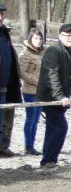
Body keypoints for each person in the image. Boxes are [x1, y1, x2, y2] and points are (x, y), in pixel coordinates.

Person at [36, 23, 71, 169]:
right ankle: (48, 160)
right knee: (59, 127)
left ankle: (49, 160)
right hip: (51, 97)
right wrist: (60, 96)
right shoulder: (54, 51)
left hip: (63, 96)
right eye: (68, 35)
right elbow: (51, 75)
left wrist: (68, 92)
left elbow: (70, 75)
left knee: (53, 127)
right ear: (60, 36)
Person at [0, 4, 23, 158]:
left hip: (6, 84)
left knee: (6, 118)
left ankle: (2, 146)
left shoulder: (4, 33)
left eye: (2, 14)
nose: (1, 17)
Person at [18, 28, 44, 156]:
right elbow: (22, 72)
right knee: (31, 119)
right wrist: (38, 82)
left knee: (36, 119)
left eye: (40, 38)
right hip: (30, 90)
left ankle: (31, 145)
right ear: (30, 39)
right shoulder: (25, 54)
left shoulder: (41, 53)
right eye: (35, 38)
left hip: (41, 91)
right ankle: (28, 145)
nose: (38, 41)